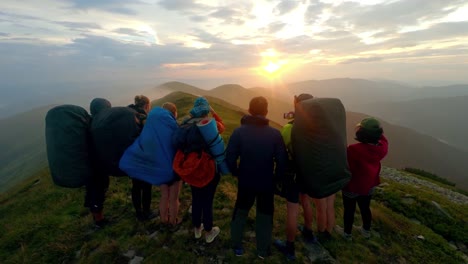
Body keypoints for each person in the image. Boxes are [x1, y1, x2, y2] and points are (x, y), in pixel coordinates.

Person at [226, 96, 287, 259]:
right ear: (266, 112)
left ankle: (237, 246)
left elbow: (230, 158)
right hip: (266, 181)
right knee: (265, 214)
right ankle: (262, 250)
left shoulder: (239, 132)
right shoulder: (275, 134)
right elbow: (282, 161)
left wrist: (236, 172)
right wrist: (276, 179)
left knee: (241, 211)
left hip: (245, 179)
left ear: (249, 110)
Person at [274, 94, 317, 261]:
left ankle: (290, 247)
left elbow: (284, 147)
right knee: (305, 200)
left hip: (293, 173)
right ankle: (308, 233)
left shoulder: (288, 129)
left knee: (292, 209)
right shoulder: (319, 127)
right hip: (309, 172)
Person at [180, 97, 225, 243]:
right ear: (206, 109)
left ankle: (197, 229)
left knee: (196, 198)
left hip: (193, 169)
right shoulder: (212, 125)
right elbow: (222, 126)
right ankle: (209, 231)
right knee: (208, 201)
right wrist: (214, 112)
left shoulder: (186, 126)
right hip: (210, 169)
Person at [336, 117, 388, 240]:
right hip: (369, 184)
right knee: (365, 208)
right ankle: (366, 231)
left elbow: (348, 167)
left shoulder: (354, 149)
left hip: (352, 186)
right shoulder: (382, 148)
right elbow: (383, 138)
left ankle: (347, 234)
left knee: (349, 209)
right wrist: (377, 130)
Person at [85, 98, 112, 228]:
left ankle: (96, 216)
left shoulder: (88, 122)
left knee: (93, 189)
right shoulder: (97, 124)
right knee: (97, 190)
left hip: (89, 163)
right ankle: (99, 221)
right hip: (96, 165)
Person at [127, 95, 154, 221]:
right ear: (146, 105)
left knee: (136, 186)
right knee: (146, 186)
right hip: (143, 157)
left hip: (132, 156)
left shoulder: (128, 115)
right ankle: (146, 212)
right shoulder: (144, 117)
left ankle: (138, 212)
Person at [158, 102, 183, 226]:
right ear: (174, 113)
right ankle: (173, 221)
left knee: (164, 196)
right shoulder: (177, 128)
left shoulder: (155, 129)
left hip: (160, 168)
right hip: (174, 168)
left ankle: (163, 220)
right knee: (173, 198)